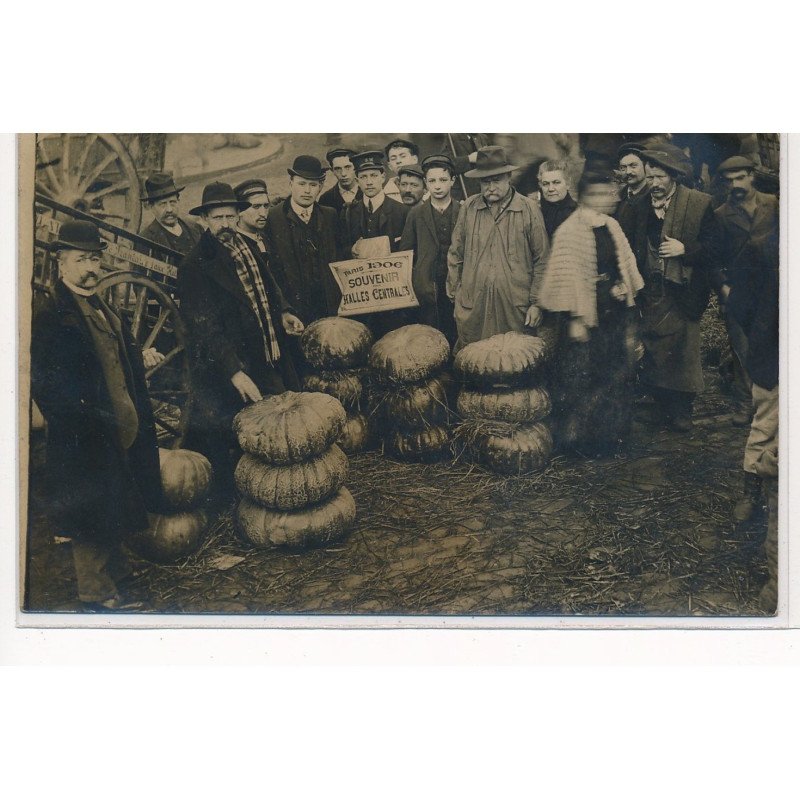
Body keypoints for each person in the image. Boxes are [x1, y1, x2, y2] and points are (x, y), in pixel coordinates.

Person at [30, 221, 164, 610]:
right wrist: (82, 421)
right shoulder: (54, 313)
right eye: (82, 260)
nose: (92, 268)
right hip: (83, 433)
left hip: (116, 424)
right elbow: (46, 383)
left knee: (114, 498)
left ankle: (117, 573)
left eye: (95, 259)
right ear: (61, 263)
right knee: (90, 510)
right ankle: (96, 592)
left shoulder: (100, 304)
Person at [179, 182, 305, 494]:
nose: (224, 225)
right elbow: (204, 329)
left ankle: (280, 491)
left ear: (238, 216)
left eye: (230, 217)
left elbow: (267, 285)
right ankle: (238, 500)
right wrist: (234, 371)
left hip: (263, 353)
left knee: (278, 423)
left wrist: (283, 312)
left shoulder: (246, 247)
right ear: (205, 219)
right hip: (227, 368)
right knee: (236, 438)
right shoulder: (194, 265)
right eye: (217, 218)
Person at [538, 169, 644, 455]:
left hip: (613, 310)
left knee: (615, 373)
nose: (606, 199)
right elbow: (565, 277)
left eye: (608, 193)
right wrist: (575, 318)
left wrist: (624, 287)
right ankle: (582, 442)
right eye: (597, 194)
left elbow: (622, 264)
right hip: (584, 315)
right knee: (583, 378)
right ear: (584, 198)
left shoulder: (611, 225)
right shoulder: (570, 231)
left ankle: (612, 438)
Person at [619, 145, 719, 432]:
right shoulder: (638, 207)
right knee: (654, 349)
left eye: (660, 177)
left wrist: (685, 249)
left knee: (683, 351)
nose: (655, 184)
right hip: (651, 291)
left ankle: (682, 411)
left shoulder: (700, 204)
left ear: (674, 176)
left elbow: (715, 249)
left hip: (683, 291)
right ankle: (661, 408)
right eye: (650, 178)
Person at [712, 155, 779, 527]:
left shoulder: (777, 207)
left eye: (743, 176)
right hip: (771, 339)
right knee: (766, 417)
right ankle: (751, 493)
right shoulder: (762, 248)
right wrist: (760, 331)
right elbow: (741, 300)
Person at [446, 146, 549, 351]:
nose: (491, 187)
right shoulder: (469, 208)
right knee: (475, 361)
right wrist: (456, 295)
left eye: (496, 180)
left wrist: (537, 303)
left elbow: (542, 259)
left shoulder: (529, 209)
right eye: (485, 181)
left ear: (508, 177)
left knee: (515, 359)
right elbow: (455, 254)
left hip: (515, 308)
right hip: (474, 309)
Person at [399, 154, 461, 345]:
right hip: (427, 287)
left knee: (457, 331)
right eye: (432, 181)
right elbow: (407, 253)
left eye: (443, 180)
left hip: (458, 286)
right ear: (425, 183)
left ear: (452, 181)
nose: (438, 186)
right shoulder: (416, 214)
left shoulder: (464, 211)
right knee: (430, 335)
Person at [341, 150, 409, 256]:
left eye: (373, 175)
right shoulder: (348, 212)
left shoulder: (402, 211)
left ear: (382, 177)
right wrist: (351, 249)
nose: (369, 182)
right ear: (357, 181)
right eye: (363, 177)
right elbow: (340, 248)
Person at [139, 172, 203, 256]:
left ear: (178, 201)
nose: (169, 209)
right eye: (163, 204)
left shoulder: (195, 228)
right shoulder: (145, 240)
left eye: (173, 202)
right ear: (152, 207)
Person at [537, 159, 577, 240]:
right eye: (545, 184)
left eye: (556, 182)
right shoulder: (537, 213)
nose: (551, 189)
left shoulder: (576, 214)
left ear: (568, 184)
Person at [319, 148, 362, 213]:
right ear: (332, 170)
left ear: (356, 167)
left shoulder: (367, 193)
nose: (343, 174)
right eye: (338, 169)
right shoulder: (325, 199)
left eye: (348, 167)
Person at [234, 177, 271, 245]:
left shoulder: (266, 237)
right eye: (256, 206)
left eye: (266, 206)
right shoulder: (236, 244)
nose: (263, 213)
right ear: (239, 211)